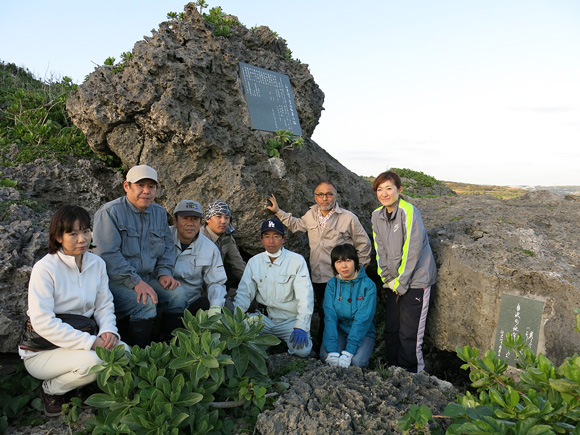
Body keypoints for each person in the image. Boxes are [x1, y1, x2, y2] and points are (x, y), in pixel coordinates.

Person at [19, 205, 124, 416]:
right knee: (96, 361)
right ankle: (51, 390)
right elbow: (43, 322)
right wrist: (92, 342)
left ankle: (81, 387)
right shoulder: (45, 268)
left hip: (83, 340)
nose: (82, 239)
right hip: (42, 351)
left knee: (125, 354)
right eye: (73, 233)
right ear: (58, 237)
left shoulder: (97, 264)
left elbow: (104, 305)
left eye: (86, 231)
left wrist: (108, 332)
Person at [267, 181, 372, 350]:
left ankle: (341, 347)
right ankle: (325, 348)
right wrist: (278, 212)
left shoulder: (348, 217)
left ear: (336, 195)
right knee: (325, 313)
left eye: (329, 194)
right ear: (315, 196)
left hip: (340, 277)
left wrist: (359, 271)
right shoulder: (311, 215)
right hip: (318, 275)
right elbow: (295, 225)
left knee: (341, 313)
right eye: (320, 194)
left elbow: (363, 244)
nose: (325, 198)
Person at [93, 165, 188, 347]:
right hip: (115, 282)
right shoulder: (109, 213)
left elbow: (168, 247)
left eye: (151, 186)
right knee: (145, 303)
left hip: (148, 279)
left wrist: (164, 272)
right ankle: (140, 355)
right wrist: (135, 282)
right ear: (126, 186)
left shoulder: (159, 213)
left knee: (178, 295)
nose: (146, 191)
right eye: (140, 185)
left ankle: (168, 347)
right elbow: (107, 255)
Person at [371, 170, 437, 373]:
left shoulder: (409, 211)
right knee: (392, 329)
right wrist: (388, 278)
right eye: (380, 189)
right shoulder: (376, 215)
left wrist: (401, 282)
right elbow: (379, 247)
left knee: (410, 333)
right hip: (394, 282)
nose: (384, 193)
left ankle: (413, 375)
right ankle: (393, 369)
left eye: (389, 188)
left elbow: (412, 249)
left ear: (399, 190)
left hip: (416, 281)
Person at [233, 218, 314, 357]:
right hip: (264, 319)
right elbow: (244, 294)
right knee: (240, 337)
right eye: (267, 236)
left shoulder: (297, 261)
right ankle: (266, 343)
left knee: (303, 350)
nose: (271, 241)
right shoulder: (254, 262)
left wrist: (301, 326)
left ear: (284, 239)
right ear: (261, 239)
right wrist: (235, 319)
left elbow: (305, 297)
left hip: (289, 320)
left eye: (276, 236)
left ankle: (279, 344)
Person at [321, 244, 376, 368]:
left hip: (363, 332)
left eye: (348, 260)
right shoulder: (332, 285)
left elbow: (363, 319)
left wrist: (349, 351)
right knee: (327, 357)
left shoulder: (368, 285)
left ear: (355, 261)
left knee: (357, 362)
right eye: (339, 261)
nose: (344, 266)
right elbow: (330, 317)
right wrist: (332, 350)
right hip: (340, 330)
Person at [170, 199, 227, 316]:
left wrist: (215, 307)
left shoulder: (210, 248)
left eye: (195, 219)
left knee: (217, 305)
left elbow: (216, 282)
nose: (190, 224)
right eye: (185, 218)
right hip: (160, 300)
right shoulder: (162, 237)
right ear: (175, 220)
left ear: (201, 223)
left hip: (190, 304)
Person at [201, 200, 246, 292]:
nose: (223, 221)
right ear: (208, 219)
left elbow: (237, 264)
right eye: (218, 217)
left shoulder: (227, 236)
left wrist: (254, 285)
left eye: (227, 217)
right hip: (199, 287)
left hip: (218, 284)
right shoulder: (199, 237)